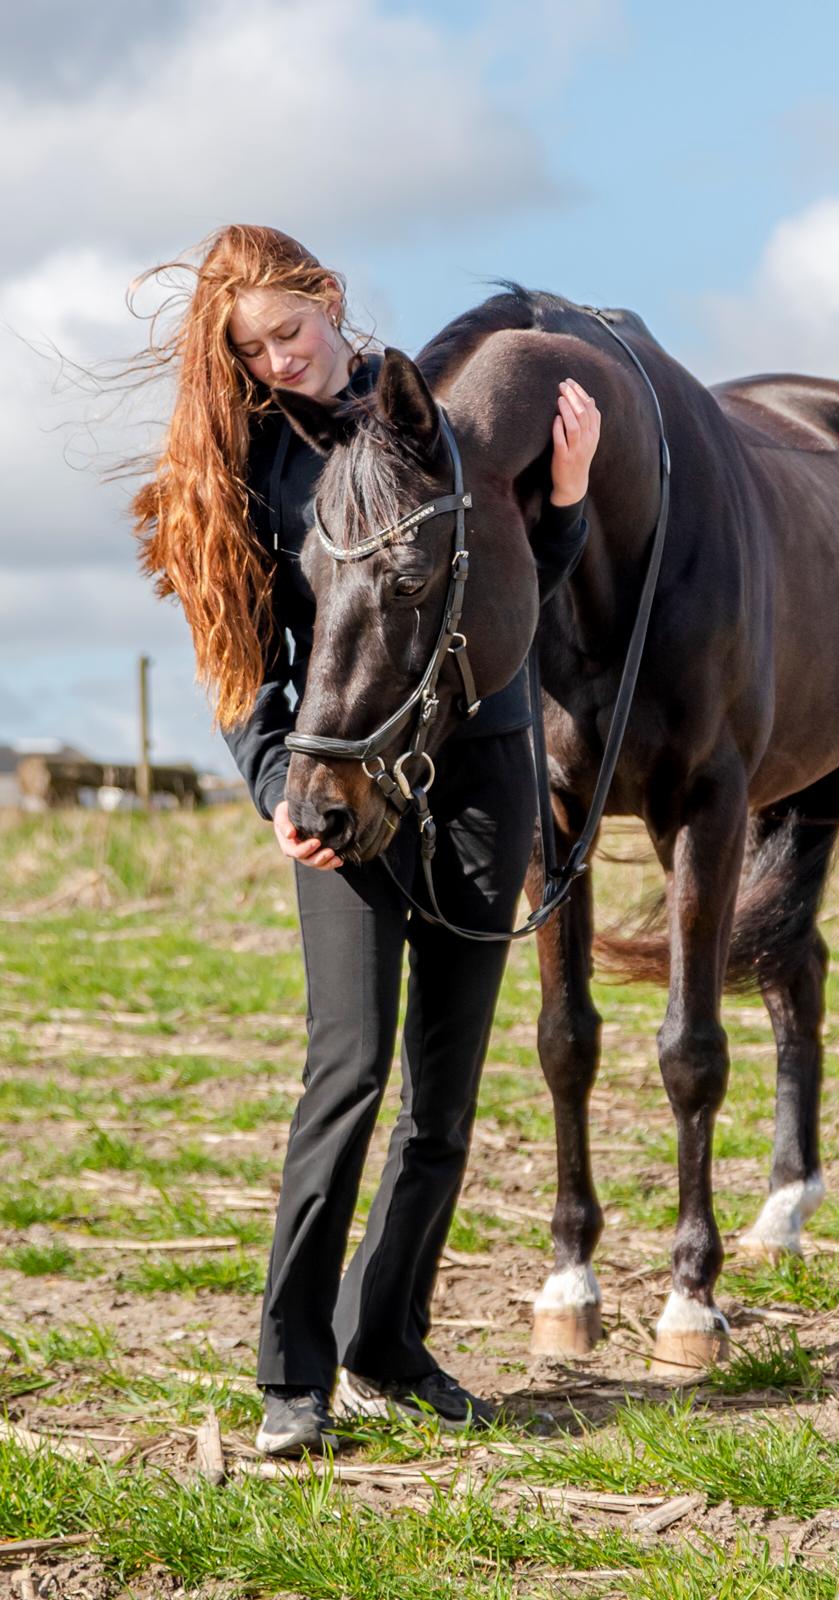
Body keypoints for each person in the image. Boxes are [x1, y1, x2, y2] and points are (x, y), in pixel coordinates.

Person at [131, 225, 600, 1455]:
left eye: (289, 331)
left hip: (485, 775)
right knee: (347, 1077)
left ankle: (384, 1339)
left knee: (443, 1103)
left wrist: (567, 495)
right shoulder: (250, 466)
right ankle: (292, 1370)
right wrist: (275, 779)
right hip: (339, 796)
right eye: (253, 351)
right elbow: (242, 665)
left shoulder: (420, 414)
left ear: (328, 297)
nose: (279, 361)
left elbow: (518, 587)